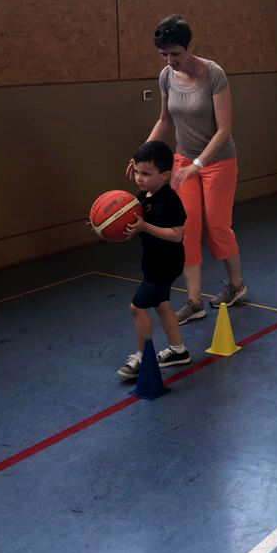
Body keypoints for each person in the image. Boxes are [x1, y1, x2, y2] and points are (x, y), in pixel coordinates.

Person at [128, 15, 246, 325]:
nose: (170, 61)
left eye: (176, 53)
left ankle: (236, 285)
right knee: (186, 229)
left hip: (218, 161)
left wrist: (198, 164)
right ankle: (194, 301)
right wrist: (141, 155)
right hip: (182, 162)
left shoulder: (214, 75)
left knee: (218, 227)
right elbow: (164, 120)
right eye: (164, 55)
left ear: (190, 45)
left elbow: (224, 129)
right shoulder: (166, 76)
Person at [117, 141, 191, 379]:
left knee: (137, 307)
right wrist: (104, 224)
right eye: (137, 172)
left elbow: (177, 235)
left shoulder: (169, 200)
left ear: (165, 175)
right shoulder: (143, 196)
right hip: (153, 262)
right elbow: (132, 223)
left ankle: (142, 357)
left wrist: (145, 227)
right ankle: (178, 351)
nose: (139, 178)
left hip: (166, 263)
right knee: (161, 304)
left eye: (146, 174)